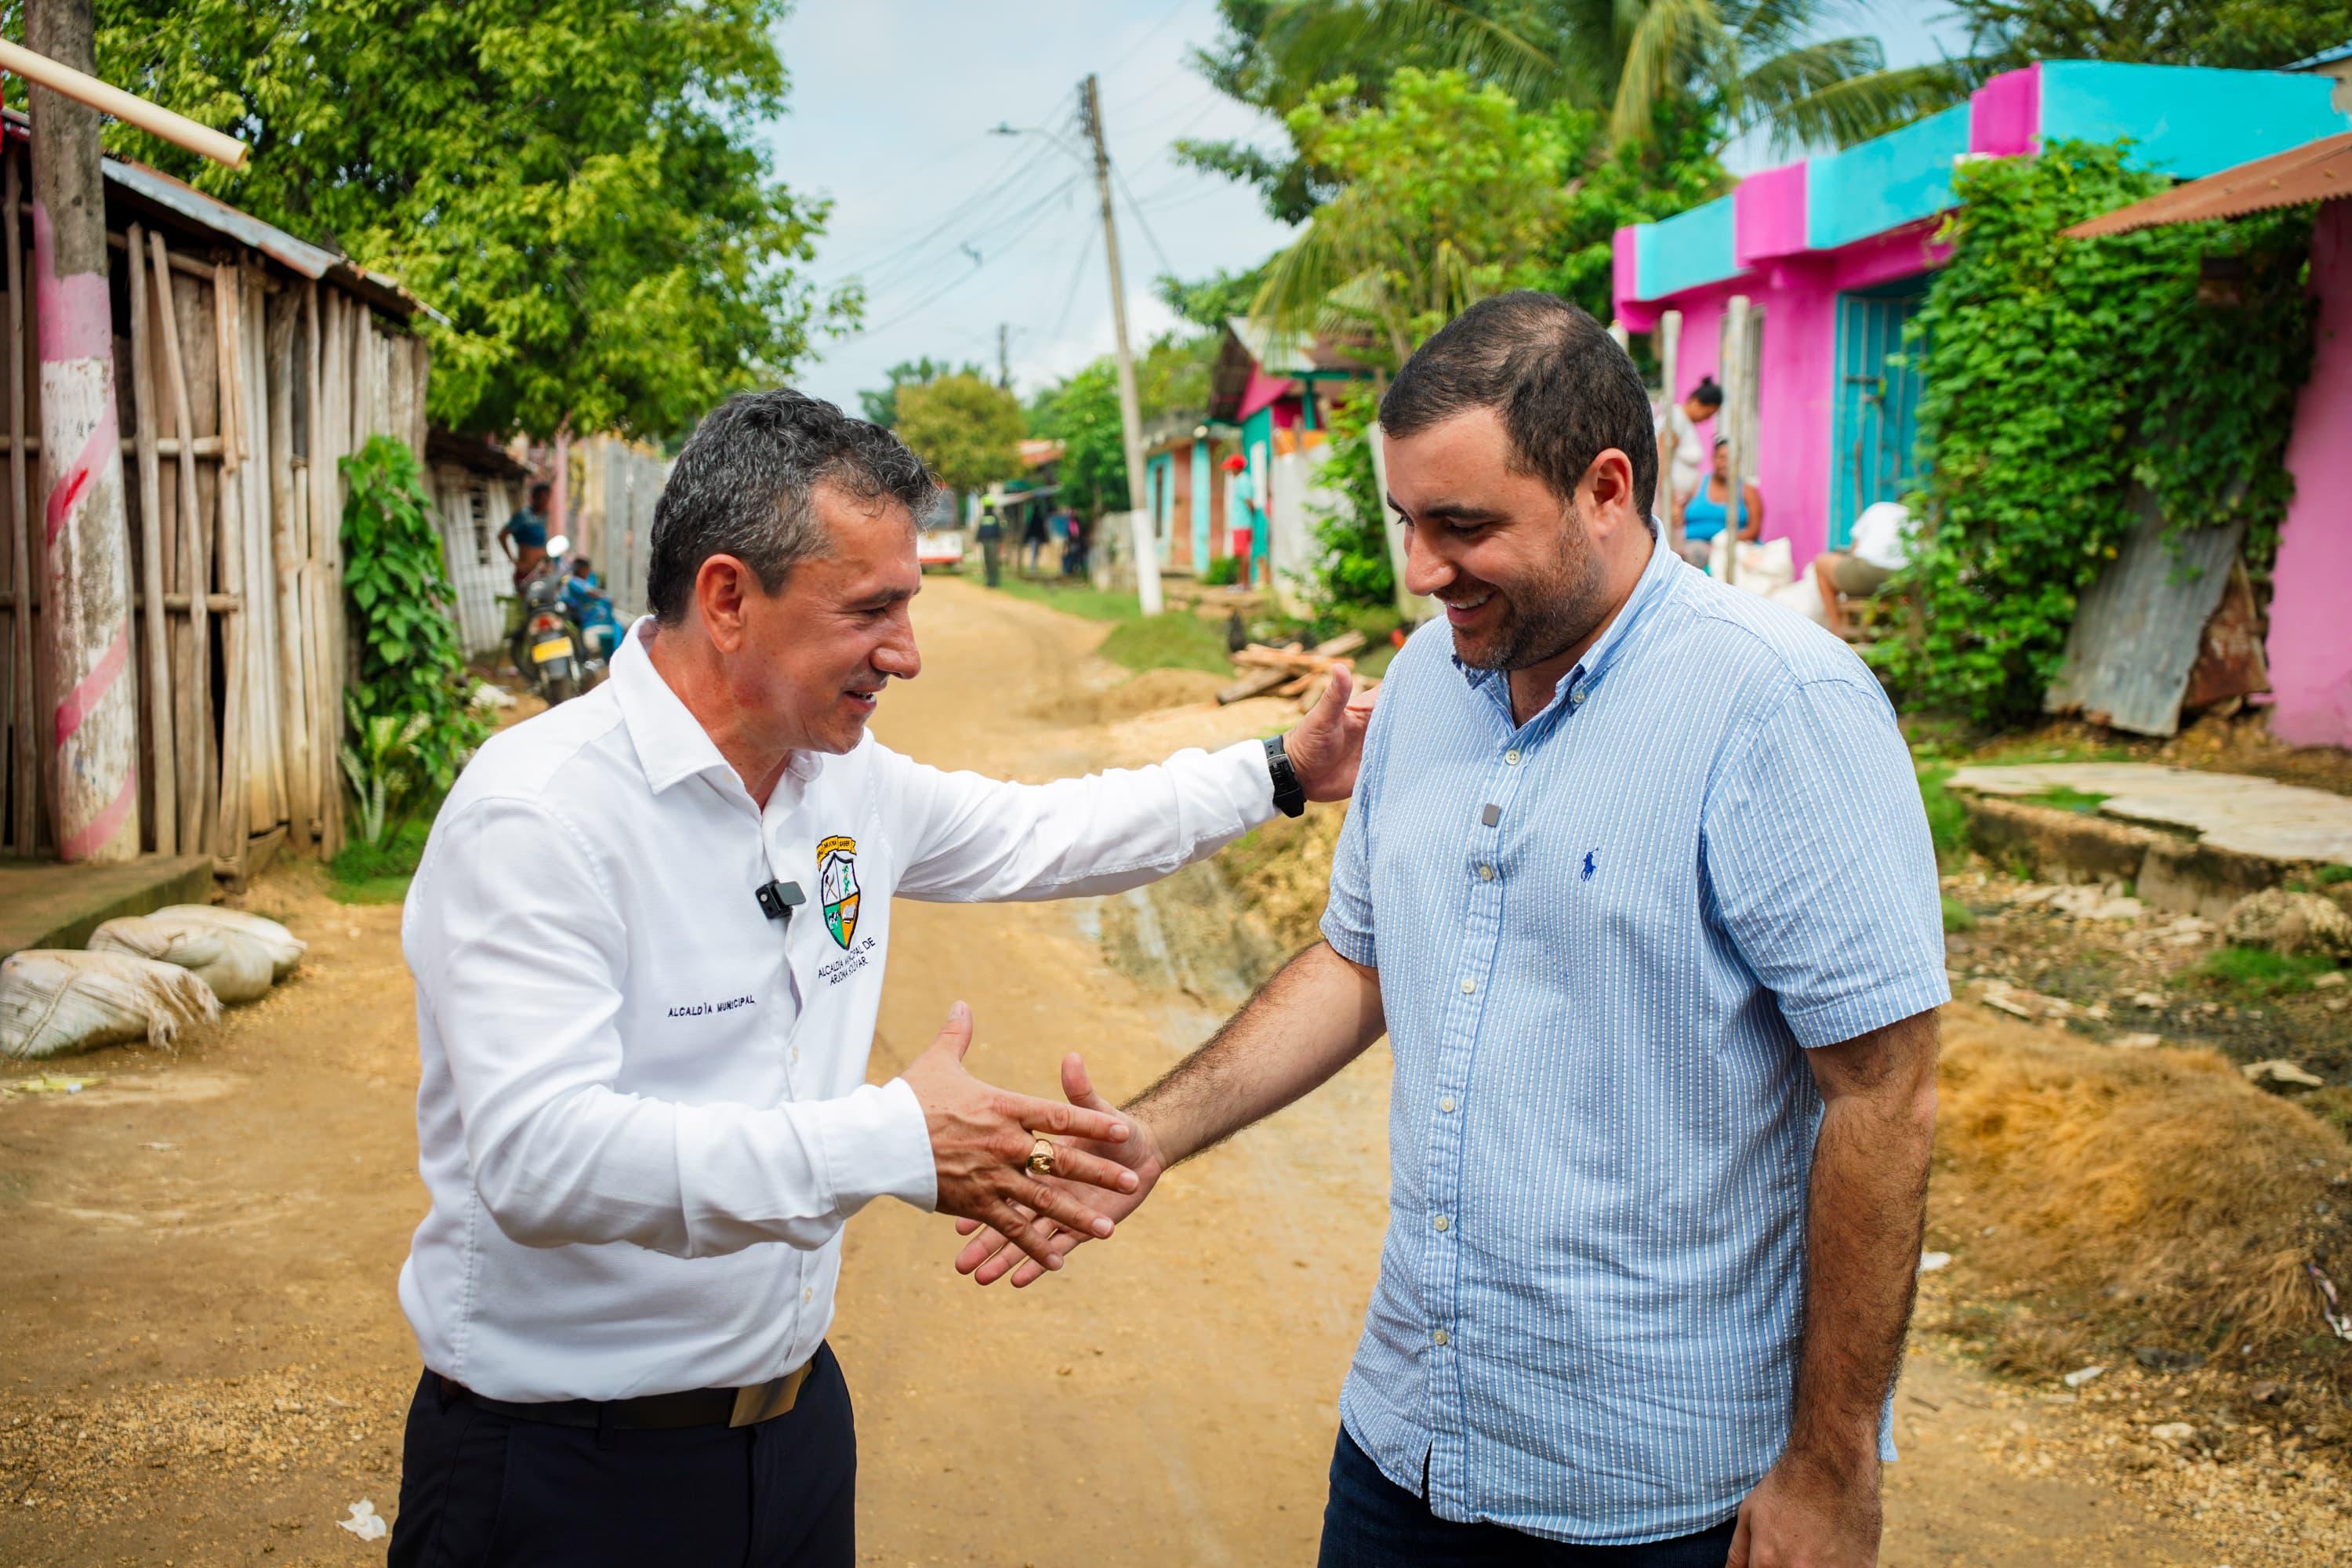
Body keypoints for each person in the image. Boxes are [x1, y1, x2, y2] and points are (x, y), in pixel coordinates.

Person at [960, 292, 1946, 1567]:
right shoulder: (1433, 678)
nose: (1423, 572)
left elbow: (1884, 1093)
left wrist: (1830, 1466)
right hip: (1410, 1444)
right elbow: (1359, 959)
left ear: (1604, 488)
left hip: (1648, 1496)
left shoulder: (1779, 709)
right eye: (1408, 524)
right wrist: (1150, 1134)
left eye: (1463, 527)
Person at [388, 389, 1373, 1568]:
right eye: (873, 612)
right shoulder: (538, 814)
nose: (906, 653)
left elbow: (1050, 832)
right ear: (727, 598)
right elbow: (539, 1163)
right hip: (564, 1478)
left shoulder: (838, 784)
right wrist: (893, 1143)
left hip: (796, 1433)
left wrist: (1279, 769)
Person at [1813, 500, 1913, 640]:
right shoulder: (1919, 519)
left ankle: (1837, 632)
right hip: (1900, 582)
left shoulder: (1879, 508)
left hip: (1864, 574)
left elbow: (1853, 552)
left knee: (1821, 563)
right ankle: (1908, 633)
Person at [1677, 437, 1764, 570]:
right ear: (1713, 459)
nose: (1726, 463)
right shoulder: (1697, 484)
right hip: (1694, 548)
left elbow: (1754, 529)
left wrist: (1722, 542)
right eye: (1722, 458)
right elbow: (1677, 512)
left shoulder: (1747, 491)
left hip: (1732, 548)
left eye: (1731, 458)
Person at [1653, 375, 1722, 536]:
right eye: (1709, 413)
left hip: (1674, 502)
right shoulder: (1676, 419)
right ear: (1697, 402)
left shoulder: (1684, 423)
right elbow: (1662, 460)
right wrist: (1670, 502)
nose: (1707, 419)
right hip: (1664, 501)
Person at [499, 481, 554, 590]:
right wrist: (514, 561)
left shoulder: (544, 516)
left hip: (541, 571)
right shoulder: (523, 516)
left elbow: (543, 544)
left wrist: (547, 562)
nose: (544, 502)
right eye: (541, 498)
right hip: (526, 574)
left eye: (546, 498)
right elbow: (502, 536)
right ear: (533, 498)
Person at [975, 500, 1004, 587]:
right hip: (985, 542)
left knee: (993, 561)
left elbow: (999, 531)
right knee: (987, 561)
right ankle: (989, 580)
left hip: (993, 542)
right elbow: (980, 530)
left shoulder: (995, 518)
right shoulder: (983, 518)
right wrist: (977, 539)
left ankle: (995, 581)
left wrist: (1000, 542)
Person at [1020, 502, 1049, 572]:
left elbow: (1029, 530)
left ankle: (1033, 567)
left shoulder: (1032, 519)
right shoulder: (1039, 519)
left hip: (1033, 538)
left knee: (1035, 552)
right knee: (1035, 553)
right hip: (1036, 538)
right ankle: (1033, 568)